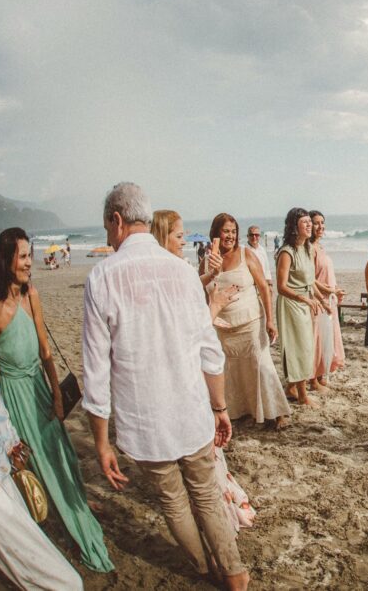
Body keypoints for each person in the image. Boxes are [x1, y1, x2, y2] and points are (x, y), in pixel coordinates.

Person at [81, 182, 248, 589]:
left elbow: (95, 372)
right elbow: (209, 351)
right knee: (206, 495)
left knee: (174, 502)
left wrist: (101, 443)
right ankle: (234, 571)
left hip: (145, 421)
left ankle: (205, 568)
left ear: (117, 220)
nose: (108, 235)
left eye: (106, 227)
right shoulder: (183, 272)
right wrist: (220, 407)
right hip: (190, 408)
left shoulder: (102, 277)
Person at [0, 227, 115, 573]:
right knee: (36, 463)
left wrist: (57, 394)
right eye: (24, 256)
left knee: (62, 454)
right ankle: (55, 522)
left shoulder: (33, 295)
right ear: (7, 260)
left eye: (30, 255)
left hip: (40, 391)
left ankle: (76, 506)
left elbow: (45, 352)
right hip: (14, 399)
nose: (30, 262)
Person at [151, 209, 256, 533]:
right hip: (187, 373)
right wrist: (216, 305)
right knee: (202, 449)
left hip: (177, 372)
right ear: (163, 237)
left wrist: (209, 278)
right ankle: (214, 508)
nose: (184, 240)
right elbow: (188, 330)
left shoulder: (166, 271)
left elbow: (189, 297)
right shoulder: (169, 273)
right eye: (179, 235)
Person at [0, 341, 84, 591]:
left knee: (18, 542)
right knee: (21, 536)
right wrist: (11, 443)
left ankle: (65, 585)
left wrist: (12, 444)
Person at [201, 214, 291, 428]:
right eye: (226, 231)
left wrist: (270, 321)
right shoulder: (206, 262)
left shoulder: (246, 254)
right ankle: (243, 411)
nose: (230, 236)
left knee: (261, 365)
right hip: (223, 328)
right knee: (233, 371)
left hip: (251, 322)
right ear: (216, 233)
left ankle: (277, 413)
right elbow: (202, 294)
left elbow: (264, 288)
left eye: (233, 231)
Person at [275, 207, 321, 406]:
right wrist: (304, 299)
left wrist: (320, 298)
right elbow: (281, 287)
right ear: (294, 226)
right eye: (305, 222)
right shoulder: (287, 252)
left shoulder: (308, 248)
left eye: (310, 221)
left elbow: (310, 280)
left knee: (306, 346)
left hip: (304, 302)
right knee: (298, 348)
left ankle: (291, 388)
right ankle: (302, 396)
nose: (310, 225)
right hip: (291, 303)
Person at [310, 211, 346, 383]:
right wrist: (330, 291)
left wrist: (335, 289)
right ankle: (314, 378)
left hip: (329, 298)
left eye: (322, 222)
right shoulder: (309, 249)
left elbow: (327, 274)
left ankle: (321, 373)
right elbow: (310, 279)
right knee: (317, 338)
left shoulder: (320, 247)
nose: (320, 226)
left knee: (327, 338)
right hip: (319, 299)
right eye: (316, 223)